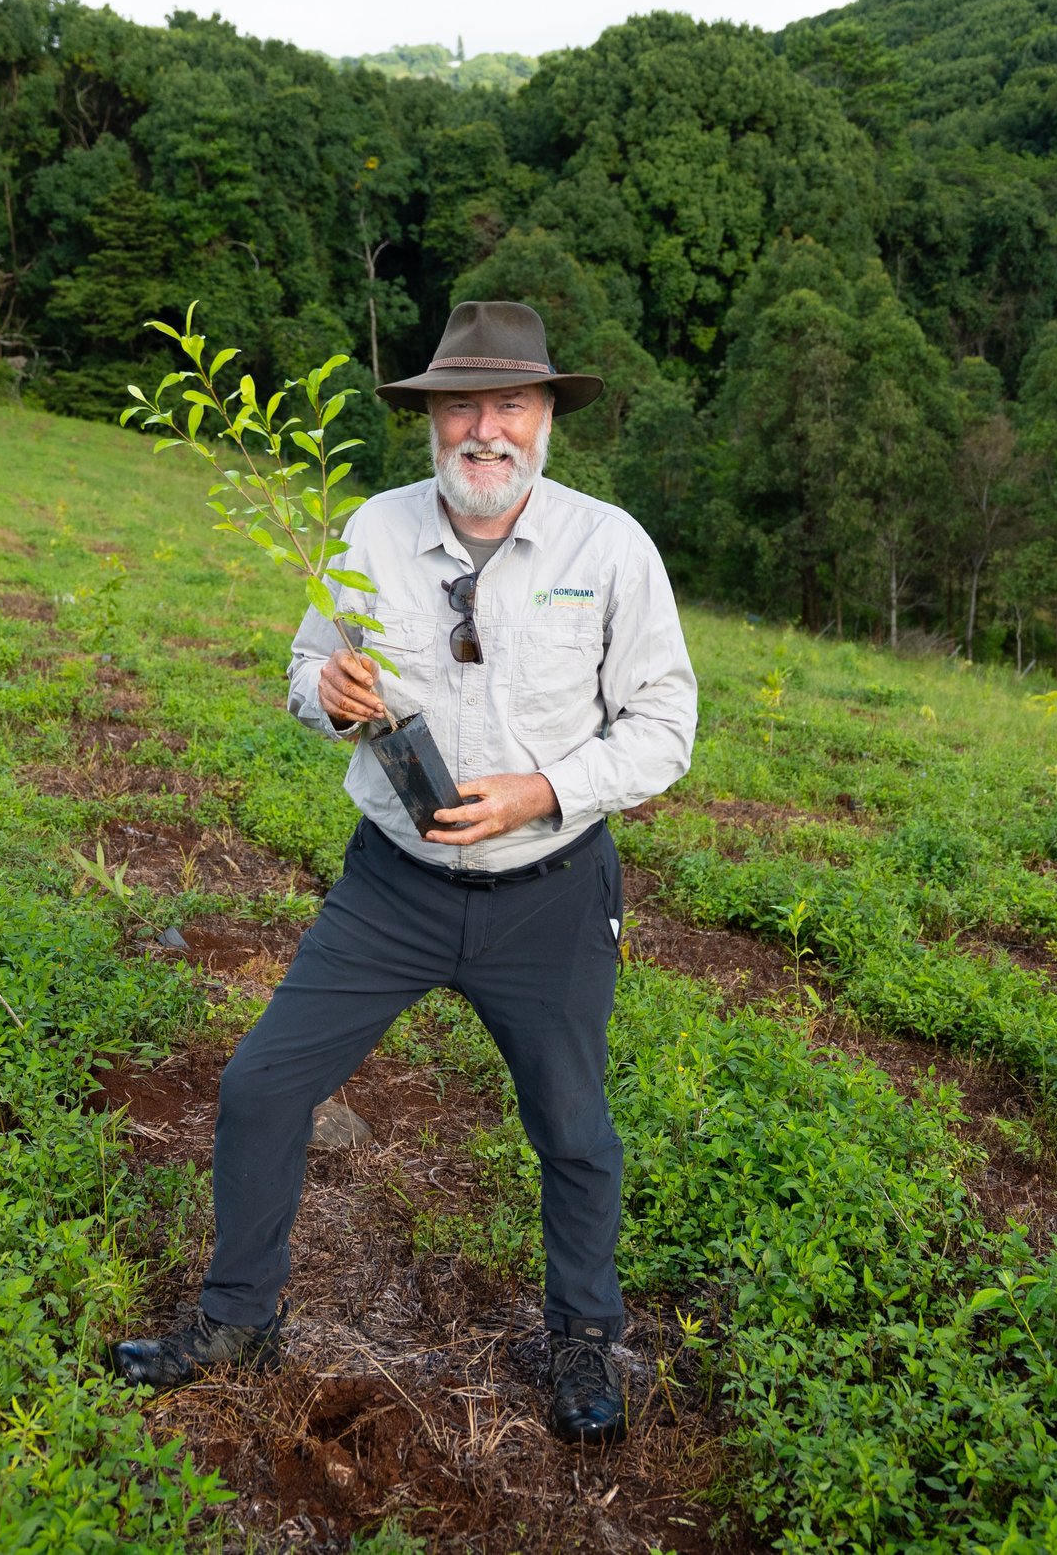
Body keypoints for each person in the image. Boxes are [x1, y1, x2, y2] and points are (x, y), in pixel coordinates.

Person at [109, 301, 698, 1444]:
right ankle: (238, 1320)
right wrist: (321, 694)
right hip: (393, 885)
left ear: (544, 420)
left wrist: (544, 791)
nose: (486, 428)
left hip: (550, 892)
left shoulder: (608, 546)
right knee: (262, 1086)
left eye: (510, 405)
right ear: (429, 420)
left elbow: (666, 726)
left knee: (573, 1128)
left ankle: (582, 1339)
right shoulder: (371, 533)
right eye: (461, 405)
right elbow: (304, 664)